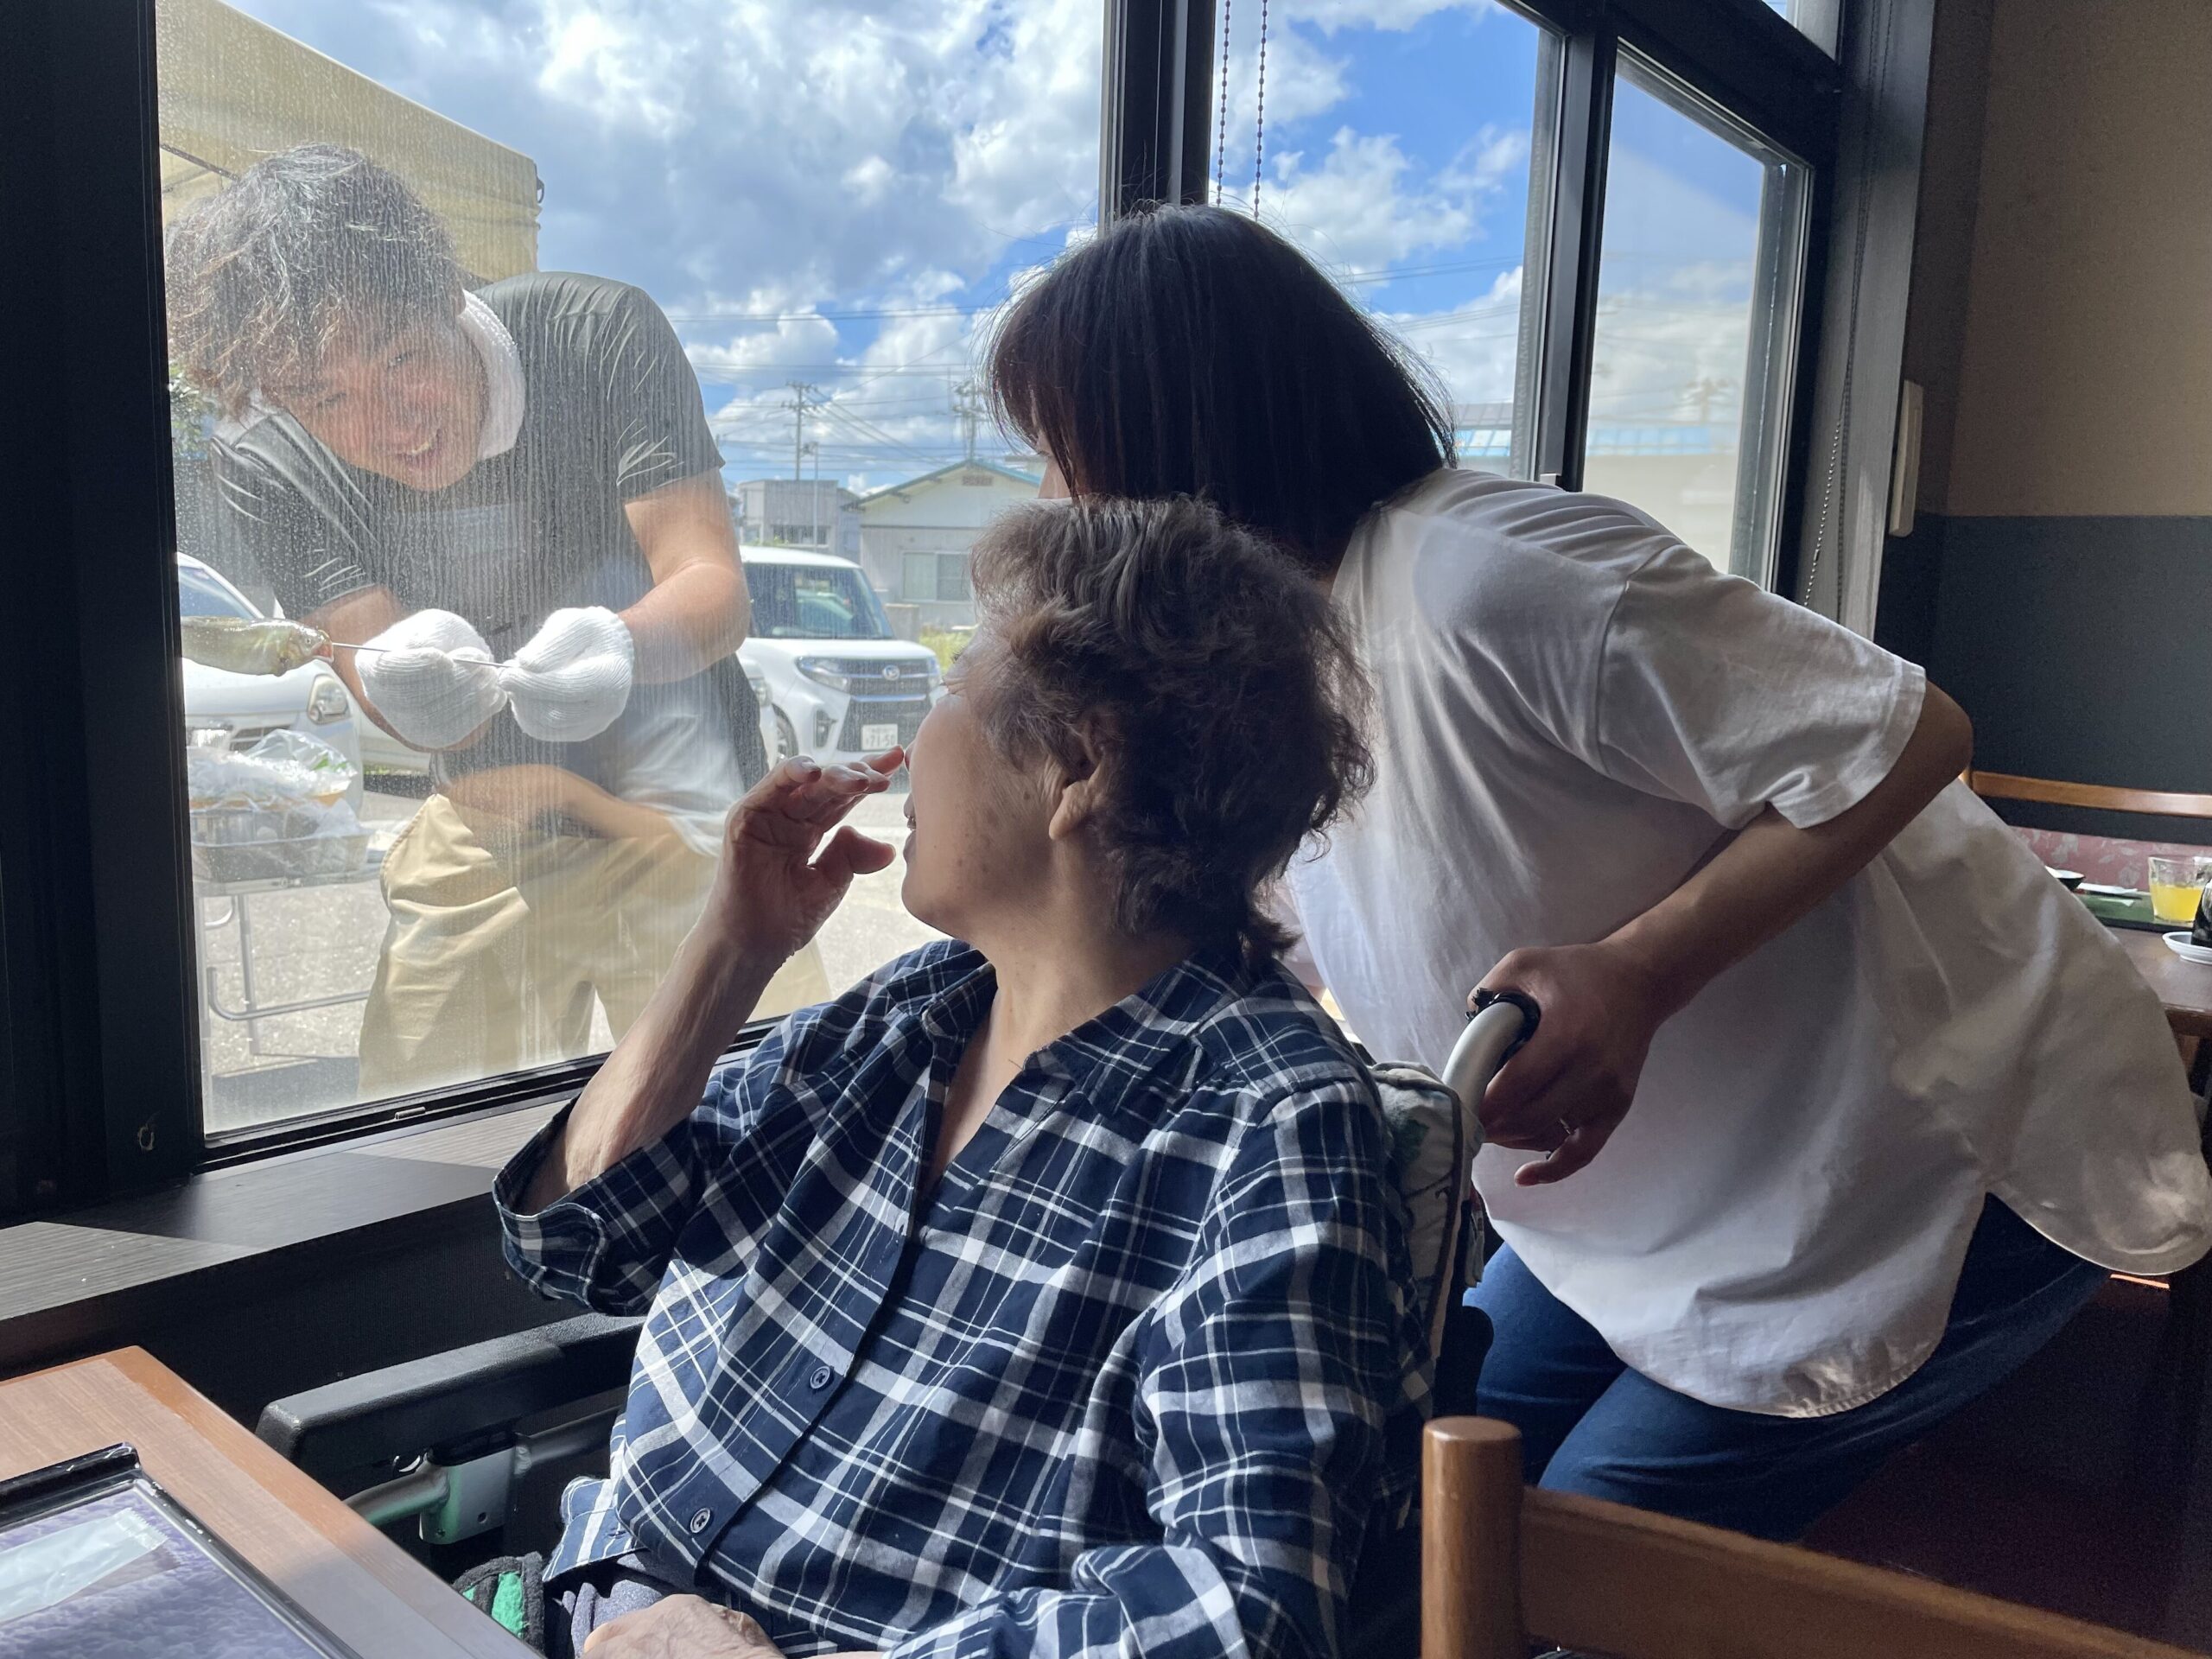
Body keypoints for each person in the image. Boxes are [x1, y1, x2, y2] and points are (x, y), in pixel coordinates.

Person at [982, 202, 2212, 1542]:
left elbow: (1912, 734)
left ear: (1177, 439)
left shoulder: (1486, 578)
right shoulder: (1274, 661)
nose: (1052, 501)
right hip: (1641, 1203)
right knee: (1421, 1492)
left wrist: (1638, 972)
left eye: (1061, 453)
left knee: (1573, 1546)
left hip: (1917, 1151)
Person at [493, 496, 1427, 1657]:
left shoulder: (1268, 1123)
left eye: (952, 690)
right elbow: (581, 1245)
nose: (911, 744)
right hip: (577, 1605)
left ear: (1076, 766)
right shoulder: (910, 1015)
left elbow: (1248, 1610)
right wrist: (734, 945)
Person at [166, 144, 827, 1097]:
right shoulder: (266, 457)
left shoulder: (595, 333)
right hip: (488, 817)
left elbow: (711, 586)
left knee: (761, 1113)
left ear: (446, 293)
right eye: (326, 398)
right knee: (418, 1126)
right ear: (279, 393)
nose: (392, 423)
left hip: (684, 806)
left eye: (402, 358)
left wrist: (620, 645)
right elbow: (369, 658)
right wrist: (404, 687)